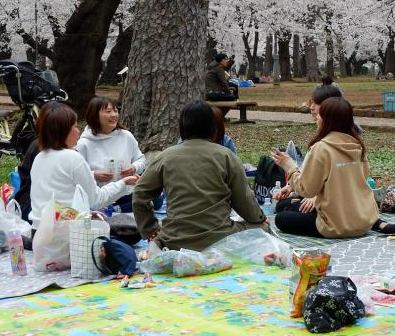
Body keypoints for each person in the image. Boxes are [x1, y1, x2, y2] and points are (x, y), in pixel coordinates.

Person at [271, 97, 395, 238]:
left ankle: (377, 225)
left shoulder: (321, 148)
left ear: (327, 120)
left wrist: (289, 166)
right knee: (291, 205)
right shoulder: (357, 145)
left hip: (335, 226)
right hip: (364, 220)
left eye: (320, 114)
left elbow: (307, 189)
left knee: (282, 216)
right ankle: (381, 225)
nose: (317, 118)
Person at [132, 100, 267, 250]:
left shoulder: (165, 157)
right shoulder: (226, 156)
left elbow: (139, 193)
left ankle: (159, 243)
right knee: (263, 228)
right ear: (213, 127)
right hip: (220, 237)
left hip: (175, 239)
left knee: (161, 238)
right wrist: (259, 218)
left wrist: (150, 229)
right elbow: (244, 200)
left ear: (182, 127)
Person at [28, 103, 137, 231]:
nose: (78, 130)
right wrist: (124, 182)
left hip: (38, 233)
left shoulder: (40, 157)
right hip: (64, 236)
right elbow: (97, 200)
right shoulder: (73, 157)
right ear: (63, 131)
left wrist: (85, 214)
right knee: (125, 247)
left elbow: (60, 198)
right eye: (74, 126)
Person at [75, 96, 146, 212]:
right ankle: (113, 209)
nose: (114, 115)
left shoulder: (126, 136)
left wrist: (133, 168)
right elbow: (77, 176)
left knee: (154, 197)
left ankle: (114, 209)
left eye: (115, 111)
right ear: (95, 115)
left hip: (126, 193)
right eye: (108, 111)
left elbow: (141, 160)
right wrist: (94, 174)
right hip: (100, 197)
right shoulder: (84, 144)